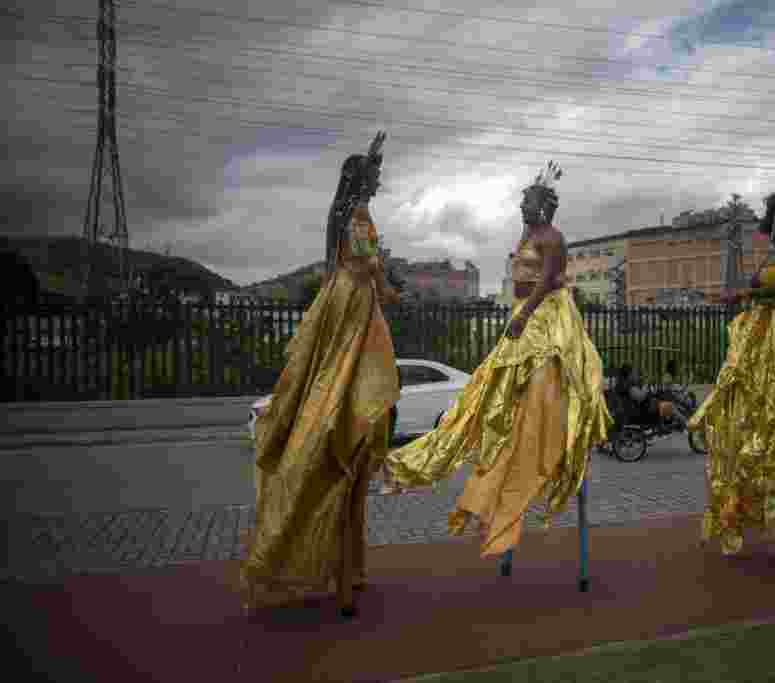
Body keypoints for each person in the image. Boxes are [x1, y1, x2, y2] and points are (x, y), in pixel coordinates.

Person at [383, 162, 612, 557]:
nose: (521, 204)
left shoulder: (554, 237)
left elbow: (548, 281)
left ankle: (539, 439)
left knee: (536, 380)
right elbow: (525, 265)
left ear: (541, 205)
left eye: (527, 199)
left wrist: (524, 314)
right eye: (523, 199)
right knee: (494, 387)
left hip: (544, 318)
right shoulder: (531, 232)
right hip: (524, 311)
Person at [241, 139, 402, 619]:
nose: (379, 181)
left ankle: (348, 572)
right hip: (355, 306)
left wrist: (382, 286)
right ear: (361, 180)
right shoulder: (357, 216)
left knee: (338, 396)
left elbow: (359, 264)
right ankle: (343, 576)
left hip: (345, 300)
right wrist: (390, 289)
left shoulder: (344, 214)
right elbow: (368, 264)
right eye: (374, 175)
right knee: (347, 400)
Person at [687, 192, 775, 565]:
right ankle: (743, 504)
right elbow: (753, 286)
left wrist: (744, 294)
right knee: (745, 415)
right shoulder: (772, 255)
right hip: (762, 334)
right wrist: (736, 285)